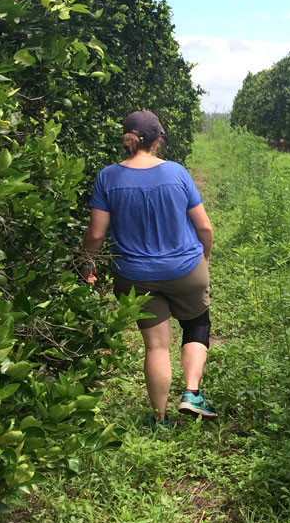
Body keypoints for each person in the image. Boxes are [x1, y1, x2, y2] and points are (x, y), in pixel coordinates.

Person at [81, 110, 218, 427]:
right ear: (157, 141)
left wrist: (87, 264)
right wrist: (203, 262)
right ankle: (192, 393)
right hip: (186, 268)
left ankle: (159, 419)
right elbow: (205, 229)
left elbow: (97, 234)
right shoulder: (177, 173)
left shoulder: (108, 177)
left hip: (134, 276)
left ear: (127, 141)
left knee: (155, 346)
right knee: (197, 323)